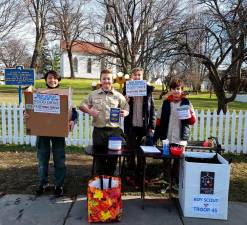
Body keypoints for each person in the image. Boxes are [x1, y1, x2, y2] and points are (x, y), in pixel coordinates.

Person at [25, 70, 78, 197]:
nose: (52, 80)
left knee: (59, 160)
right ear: (45, 80)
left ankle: (59, 185)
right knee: (42, 160)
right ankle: (42, 184)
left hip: (58, 132)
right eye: (49, 78)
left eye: (55, 78)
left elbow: (74, 111)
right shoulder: (38, 93)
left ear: (58, 80)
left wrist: (72, 120)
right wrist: (26, 113)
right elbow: (29, 108)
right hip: (42, 132)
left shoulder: (65, 94)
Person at [79, 69, 129, 176]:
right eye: (104, 78)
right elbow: (82, 105)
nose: (106, 81)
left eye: (109, 79)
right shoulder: (93, 94)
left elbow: (126, 107)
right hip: (99, 131)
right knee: (99, 157)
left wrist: (125, 112)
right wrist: (90, 111)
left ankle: (110, 180)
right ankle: (100, 182)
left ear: (112, 80)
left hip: (114, 132)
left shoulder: (118, 95)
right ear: (100, 80)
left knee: (113, 157)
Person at [154, 78, 196, 191]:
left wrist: (189, 115)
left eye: (178, 89)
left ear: (182, 90)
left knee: (177, 162)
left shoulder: (187, 103)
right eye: (174, 89)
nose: (176, 91)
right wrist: (156, 136)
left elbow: (192, 121)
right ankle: (166, 182)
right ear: (170, 90)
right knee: (166, 161)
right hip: (167, 138)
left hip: (180, 139)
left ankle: (176, 183)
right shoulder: (166, 103)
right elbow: (158, 120)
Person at [123, 67, 155, 185]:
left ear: (142, 77)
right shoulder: (127, 89)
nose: (137, 77)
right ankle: (130, 175)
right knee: (130, 152)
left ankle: (141, 175)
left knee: (142, 152)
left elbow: (152, 109)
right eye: (135, 75)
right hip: (131, 125)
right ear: (132, 76)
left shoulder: (148, 90)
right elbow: (121, 106)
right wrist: (125, 100)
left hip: (143, 126)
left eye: (139, 75)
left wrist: (151, 125)